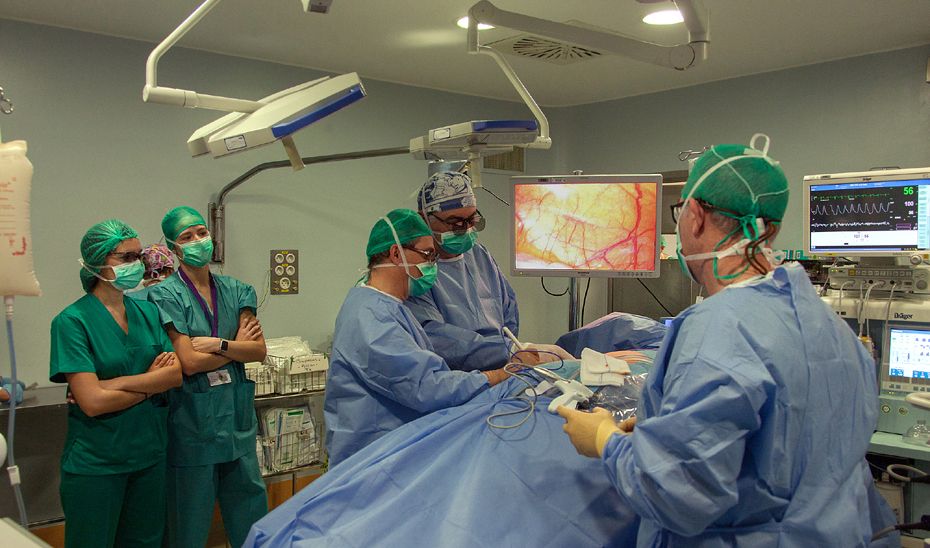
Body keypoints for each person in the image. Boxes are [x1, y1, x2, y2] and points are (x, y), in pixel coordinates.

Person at [558, 135, 889, 546]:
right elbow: (788, 435)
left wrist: (605, 440)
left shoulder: (717, 332)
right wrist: (664, 434)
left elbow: (677, 496)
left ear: (693, 216)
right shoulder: (828, 323)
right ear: (773, 227)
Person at [324, 208, 514, 466]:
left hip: (391, 453)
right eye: (428, 255)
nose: (432, 265)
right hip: (374, 462)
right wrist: (498, 375)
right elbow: (426, 386)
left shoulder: (390, 307)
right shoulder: (371, 317)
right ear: (395, 253)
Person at [49, 219, 182, 548]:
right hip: (97, 465)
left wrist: (112, 385)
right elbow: (92, 403)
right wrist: (151, 382)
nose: (136, 265)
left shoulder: (147, 313)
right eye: (125, 258)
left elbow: (175, 375)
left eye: (138, 257)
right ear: (97, 263)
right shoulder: (71, 322)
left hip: (149, 457)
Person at [146, 206, 268, 548]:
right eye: (187, 237)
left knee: (251, 515)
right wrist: (235, 348)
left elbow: (258, 351)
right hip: (192, 426)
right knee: (189, 522)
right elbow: (187, 362)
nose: (198, 241)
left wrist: (218, 344)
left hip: (236, 422)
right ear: (173, 247)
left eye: (201, 232)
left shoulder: (238, 290)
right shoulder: (165, 294)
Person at [404, 171, 521, 371]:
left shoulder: (479, 254)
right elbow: (435, 337)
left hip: (503, 365)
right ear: (424, 219)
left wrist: (512, 351)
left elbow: (509, 312)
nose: (466, 229)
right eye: (455, 223)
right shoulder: (418, 267)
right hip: (453, 376)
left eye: (472, 220)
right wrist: (502, 351)